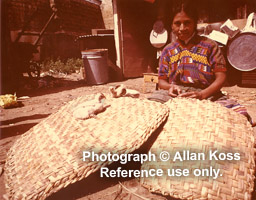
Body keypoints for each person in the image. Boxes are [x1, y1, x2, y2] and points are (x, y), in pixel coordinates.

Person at [157, 1, 255, 126]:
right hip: (177, 95)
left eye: (187, 22)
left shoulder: (210, 45)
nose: (182, 28)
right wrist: (170, 87)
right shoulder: (168, 50)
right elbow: (161, 81)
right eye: (177, 23)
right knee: (150, 106)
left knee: (238, 114)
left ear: (195, 23)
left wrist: (202, 94)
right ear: (171, 25)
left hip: (207, 93)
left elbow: (221, 77)